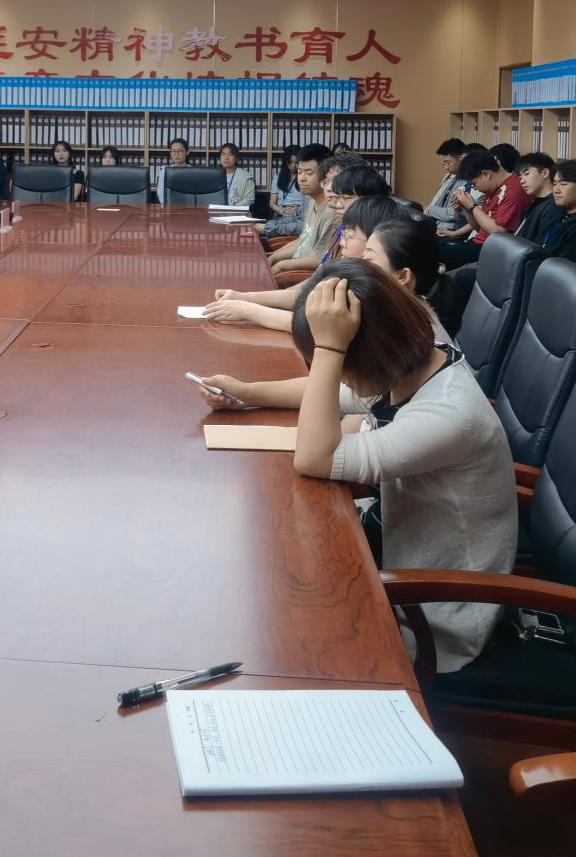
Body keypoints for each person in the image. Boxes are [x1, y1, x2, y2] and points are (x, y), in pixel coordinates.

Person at [195, 260, 516, 671]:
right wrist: (248, 393)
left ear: (367, 353)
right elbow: (345, 394)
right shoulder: (414, 361)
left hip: (433, 611)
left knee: (278, 632)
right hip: (392, 546)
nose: (337, 375)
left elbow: (315, 457)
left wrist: (330, 350)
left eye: (340, 364)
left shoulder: (449, 416)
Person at [207, 195, 405, 332]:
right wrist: (243, 297)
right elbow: (305, 293)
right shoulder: (349, 267)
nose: (342, 242)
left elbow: (310, 327)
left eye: (349, 236)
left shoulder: (366, 287)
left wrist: (246, 310)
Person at [436, 149, 526, 270]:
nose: (475, 188)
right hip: (478, 243)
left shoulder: (513, 190)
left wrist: (472, 206)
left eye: (474, 184)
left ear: (486, 174)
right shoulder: (492, 188)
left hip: (490, 250)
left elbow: (498, 232)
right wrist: (465, 207)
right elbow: (479, 228)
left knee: (434, 254)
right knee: (430, 245)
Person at [263, 144, 333, 273]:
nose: (302, 178)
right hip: (294, 265)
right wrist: (273, 257)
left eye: (308, 173)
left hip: (303, 274)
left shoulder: (332, 212)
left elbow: (319, 260)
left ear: (326, 176)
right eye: (300, 172)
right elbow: (303, 240)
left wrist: (280, 265)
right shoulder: (311, 203)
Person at [517, 159, 576, 262]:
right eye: (554, 183)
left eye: (563, 184)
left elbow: (564, 265)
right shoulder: (557, 213)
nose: (556, 190)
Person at [262, 147, 308, 240]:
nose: (293, 165)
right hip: (281, 214)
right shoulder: (278, 177)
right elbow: (272, 202)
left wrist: (298, 209)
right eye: (290, 162)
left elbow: (307, 201)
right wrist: (280, 209)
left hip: (297, 214)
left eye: (296, 162)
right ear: (285, 162)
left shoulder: (303, 178)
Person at [150, 136, 192, 202]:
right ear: (170, 153)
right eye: (173, 151)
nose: (176, 154)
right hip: (169, 205)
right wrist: (167, 206)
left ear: (187, 152)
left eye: (180, 151)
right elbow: (161, 193)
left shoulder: (194, 172)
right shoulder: (165, 171)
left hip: (190, 205)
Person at [216, 143, 255, 207]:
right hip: (216, 209)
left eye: (230, 154)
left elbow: (249, 199)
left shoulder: (246, 176)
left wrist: (232, 209)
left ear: (236, 158)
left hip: (236, 210)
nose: (226, 157)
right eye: (223, 154)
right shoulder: (214, 175)